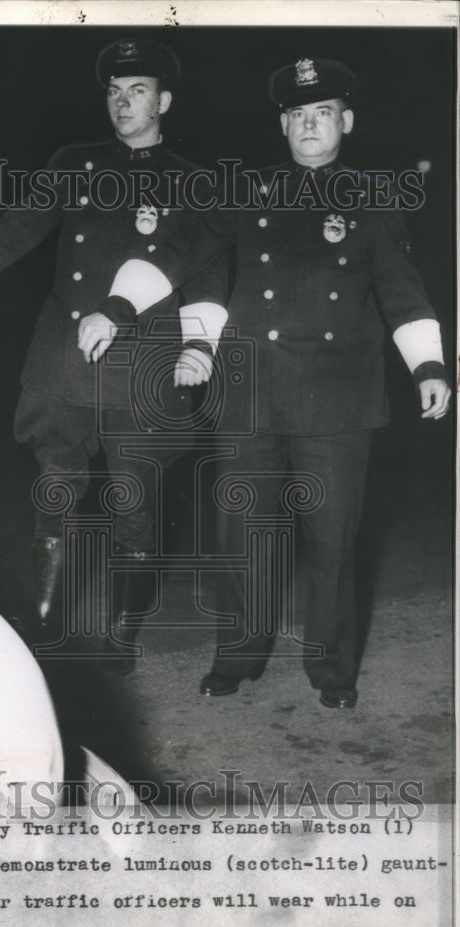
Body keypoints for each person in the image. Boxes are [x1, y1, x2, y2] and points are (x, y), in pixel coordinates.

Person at [78, 58, 451, 706]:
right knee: (244, 538)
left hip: (338, 402)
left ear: (346, 122)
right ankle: (238, 657)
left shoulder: (372, 198)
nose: (310, 125)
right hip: (251, 396)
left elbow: (403, 291)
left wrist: (429, 365)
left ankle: (332, 672)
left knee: (332, 543)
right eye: (299, 115)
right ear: (283, 124)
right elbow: (181, 249)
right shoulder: (245, 190)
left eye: (323, 113)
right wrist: (119, 305)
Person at [0, 39, 224, 656]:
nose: (123, 102)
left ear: (164, 101)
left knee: (134, 504)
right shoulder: (74, 162)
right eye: (114, 92)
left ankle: (121, 634)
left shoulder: (194, 182)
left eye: (137, 90)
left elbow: (205, 275)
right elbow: (10, 233)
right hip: (64, 359)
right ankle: (43, 629)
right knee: (55, 490)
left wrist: (198, 348)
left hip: (143, 366)